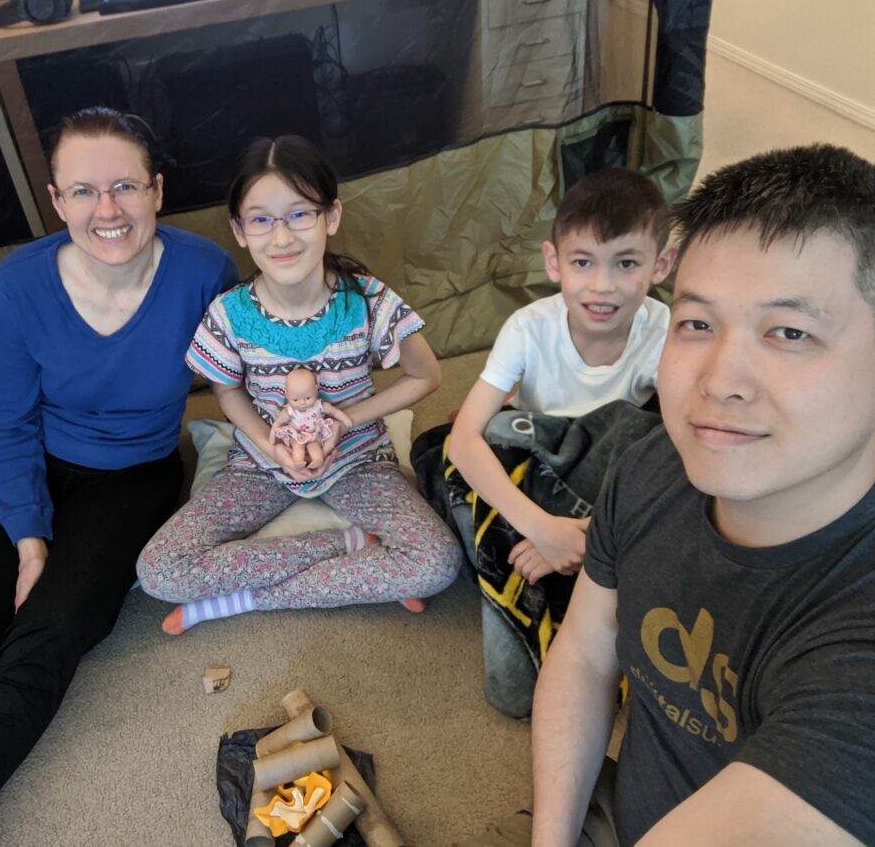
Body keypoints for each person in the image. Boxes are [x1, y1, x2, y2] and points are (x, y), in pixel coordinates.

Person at [460, 144, 875, 847]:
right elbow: (587, 653)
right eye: (698, 324)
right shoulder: (653, 465)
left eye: (789, 332)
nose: (719, 382)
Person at [0, 107, 238, 845]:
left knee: (50, 635)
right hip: (15, 459)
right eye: (83, 191)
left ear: (156, 190)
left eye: (125, 186)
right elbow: (11, 419)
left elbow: (249, 370)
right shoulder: (19, 281)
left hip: (133, 476)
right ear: (56, 201)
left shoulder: (205, 270)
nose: (107, 210)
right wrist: (29, 539)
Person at [137, 134, 462, 636]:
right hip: (260, 466)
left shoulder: (367, 300)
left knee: (438, 563)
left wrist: (349, 420)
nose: (282, 237)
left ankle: (237, 601)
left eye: (299, 214)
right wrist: (269, 445)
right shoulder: (229, 313)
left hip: (356, 460)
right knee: (158, 571)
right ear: (239, 229)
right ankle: (350, 545)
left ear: (331, 216)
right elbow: (227, 391)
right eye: (261, 219)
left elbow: (427, 375)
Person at [447, 168, 674, 585]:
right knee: (488, 443)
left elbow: (682, 446)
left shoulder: (666, 332)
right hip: (541, 451)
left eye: (626, 263)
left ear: (660, 265)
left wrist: (579, 532)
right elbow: (463, 439)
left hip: (605, 466)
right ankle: (575, 543)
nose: (601, 286)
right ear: (554, 263)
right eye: (582, 262)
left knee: (648, 439)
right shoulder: (528, 327)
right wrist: (543, 529)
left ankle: (582, 542)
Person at [270, 366, 353, 467]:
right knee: (297, 446)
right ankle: (298, 462)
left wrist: (345, 418)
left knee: (314, 446)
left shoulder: (319, 406)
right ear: (286, 394)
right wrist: (272, 437)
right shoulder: (289, 411)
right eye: (295, 400)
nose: (302, 403)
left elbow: (334, 411)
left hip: (314, 434)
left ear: (316, 390)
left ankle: (318, 460)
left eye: (308, 398)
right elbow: (277, 423)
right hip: (297, 435)